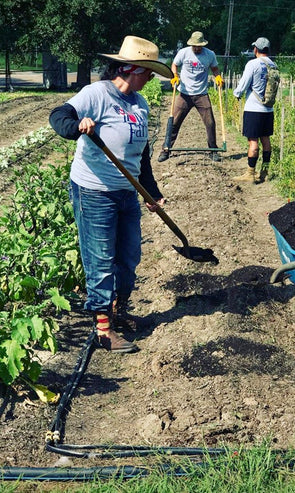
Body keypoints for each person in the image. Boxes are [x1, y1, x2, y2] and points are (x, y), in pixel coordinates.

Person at [49, 36, 173, 353]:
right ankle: (104, 331)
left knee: (129, 258)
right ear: (132, 68)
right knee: (101, 262)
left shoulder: (140, 105)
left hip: (126, 194)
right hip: (94, 192)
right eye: (148, 72)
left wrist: (151, 192)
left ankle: (118, 312)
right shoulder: (96, 94)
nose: (150, 78)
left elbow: (141, 158)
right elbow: (59, 117)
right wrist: (78, 125)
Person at [157, 31, 224, 163]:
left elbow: (215, 68)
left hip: (201, 94)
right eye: (195, 46)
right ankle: (166, 149)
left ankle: (213, 151)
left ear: (203, 45)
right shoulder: (183, 53)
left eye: (199, 46)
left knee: (210, 123)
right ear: (191, 44)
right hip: (184, 94)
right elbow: (174, 65)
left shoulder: (210, 54)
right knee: (174, 122)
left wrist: (217, 76)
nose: (197, 48)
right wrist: (175, 76)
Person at [233, 37, 277, 184]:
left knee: (253, 141)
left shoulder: (253, 64)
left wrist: (237, 93)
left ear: (256, 49)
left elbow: (244, 83)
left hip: (253, 109)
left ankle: (250, 173)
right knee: (266, 139)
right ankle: (265, 171)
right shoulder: (273, 65)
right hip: (268, 109)